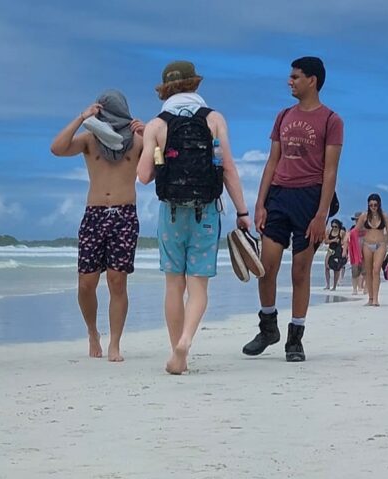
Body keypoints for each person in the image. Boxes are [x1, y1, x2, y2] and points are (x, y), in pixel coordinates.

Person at [136, 60, 251, 375]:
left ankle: (178, 354)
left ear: (165, 88)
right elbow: (228, 168)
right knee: (198, 286)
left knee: (173, 284)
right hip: (207, 211)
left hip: (171, 213)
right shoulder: (214, 119)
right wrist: (242, 212)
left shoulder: (157, 124)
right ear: (195, 84)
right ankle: (187, 339)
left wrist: (150, 144)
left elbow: (144, 176)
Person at [243, 57, 343, 362]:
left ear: (312, 80)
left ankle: (295, 338)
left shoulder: (331, 120)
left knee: (300, 272)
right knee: (266, 266)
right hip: (279, 196)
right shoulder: (283, 115)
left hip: (310, 198)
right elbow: (272, 161)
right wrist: (260, 203)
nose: (290, 81)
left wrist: (321, 216)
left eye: (295, 77)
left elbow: (330, 171)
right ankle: (268, 326)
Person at [51, 90, 144, 362]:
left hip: (124, 214)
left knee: (117, 281)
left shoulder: (138, 141)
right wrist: (81, 118)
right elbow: (57, 148)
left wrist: (150, 131)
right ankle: (93, 332)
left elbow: (162, 161)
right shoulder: (90, 139)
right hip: (94, 214)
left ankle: (115, 343)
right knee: (86, 284)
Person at [353, 194, 388, 307]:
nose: (373, 207)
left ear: (379, 204)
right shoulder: (364, 216)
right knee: (368, 272)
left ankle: (376, 299)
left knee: (376, 270)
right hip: (367, 245)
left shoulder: (385, 216)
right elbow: (355, 230)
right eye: (371, 205)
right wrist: (348, 241)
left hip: (380, 245)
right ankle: (370, 298)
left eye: (375, 204)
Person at [323, 219, 348, 290]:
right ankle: (328, 284)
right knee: (326, 266)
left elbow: (345, 241)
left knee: (336, 268)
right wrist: (333, 240)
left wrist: (345, 251)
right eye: (332, 226)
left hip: (338, 250)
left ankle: (334, 286)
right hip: (330, 250)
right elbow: (326, 241)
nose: (334, 228)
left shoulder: (342, 232)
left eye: (335, 226)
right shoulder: (329, 231)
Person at [347, 211, 364, 295]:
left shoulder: (367, 230)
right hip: (355, 253)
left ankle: (364, 287)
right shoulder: (352, 230)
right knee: (355, 271)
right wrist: (344, 251)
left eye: (359, 220)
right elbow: (347, 240)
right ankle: (355, 288)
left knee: (365, 271)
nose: (357, 222)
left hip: (365, 252)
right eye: (356, 220)